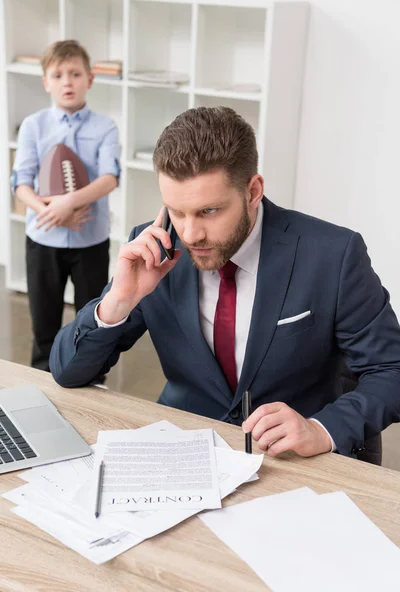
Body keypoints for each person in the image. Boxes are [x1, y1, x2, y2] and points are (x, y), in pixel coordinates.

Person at [50, 106, 400, 459]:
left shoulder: (332, 255)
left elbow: (391, 369)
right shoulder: (154, 248)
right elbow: (67, 373)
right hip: (186, 452)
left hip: (293, 460)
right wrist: (119, 301)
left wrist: (321, 429)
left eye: (209, 211)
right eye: (176, 210)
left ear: (253, 191)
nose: (190, 233)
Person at [12, 40, 120, 371]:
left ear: (90, 78)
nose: (67, 82)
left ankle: (90, 378)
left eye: (75, 73)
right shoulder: (34, 125)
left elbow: (110, 177)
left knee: (92, 321)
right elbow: (20, 182)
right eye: (57, 75)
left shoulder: (106, 127)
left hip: (90, 242)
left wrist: (69, 202)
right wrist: (50, 212)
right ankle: (43, 382)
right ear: (46, 82)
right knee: (44, 323)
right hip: (43, 241)